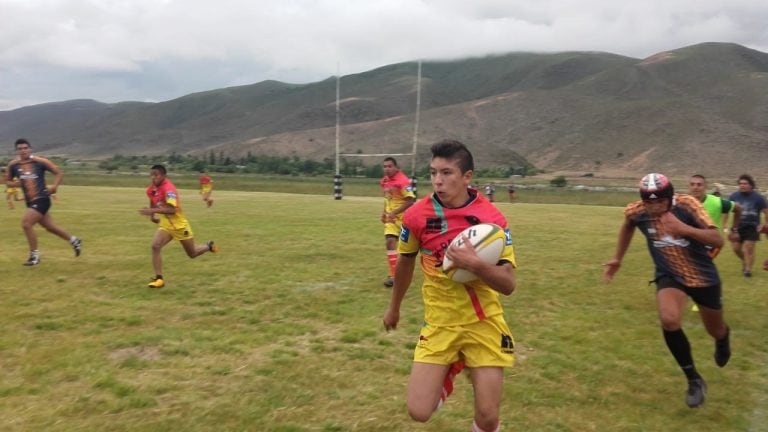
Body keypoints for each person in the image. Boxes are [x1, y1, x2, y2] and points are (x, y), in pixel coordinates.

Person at [383, 140, 517, 432]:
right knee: (419, 411)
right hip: (440, 322)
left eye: (447, 173)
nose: (438, 181)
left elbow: (508, 284)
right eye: (433, 173)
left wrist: (477, 265)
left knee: (487, 416)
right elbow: (405, 262)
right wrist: (394, 308)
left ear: (467, 177)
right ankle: (454, 366)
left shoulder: (492, 219)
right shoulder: (417, 216)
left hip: (484, 322)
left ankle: (463, 362)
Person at [603, 173, 730, 408]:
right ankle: (693, 379)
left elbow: (717, 239)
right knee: (669, 320)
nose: (654, 207)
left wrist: (683, 229)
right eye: (649, 202)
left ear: (670, 197)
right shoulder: (638, 212)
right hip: (670, 275)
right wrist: (617, 258)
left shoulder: (687, 205)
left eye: (659, 201)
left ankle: (722, 339)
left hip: (703, 275)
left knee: (715, 328)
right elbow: (628, 226)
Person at [4, 138, 82, 266]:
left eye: (25, 148)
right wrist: (17, 183)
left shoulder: (40, 162)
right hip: (29, 201)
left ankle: (34, 256)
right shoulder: (13, 165)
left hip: (42, 198)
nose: (23, 151)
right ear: (16, 151)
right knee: (50, 227)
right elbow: (8, 182)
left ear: (30, 149)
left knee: (26, 224)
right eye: (20, 149)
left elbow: (58, 172)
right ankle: (74, 240)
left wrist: (54, 187)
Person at [138, 164, 218, 288]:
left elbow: (172, 210)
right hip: (166, 225)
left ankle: (209, 246)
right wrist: (153, 216)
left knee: (192, 254)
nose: (153, 178)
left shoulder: (169, 190)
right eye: (151, 175)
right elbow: (153, 199)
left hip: (179, 225)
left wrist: (153, 210)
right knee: (155, 246)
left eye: (156, 175)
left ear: (164, 176)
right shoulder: (151, 189)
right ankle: (159, 279)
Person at [380, 157, 415, 287]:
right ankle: (394, 275)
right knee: (390, 241)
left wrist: (395, 212)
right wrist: (384, 212)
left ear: (396, 167)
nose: (387, 169)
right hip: (391, 218)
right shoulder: (384, 181)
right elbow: (387, 199)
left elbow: (410, 201)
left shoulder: (403, 181)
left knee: (407, 250)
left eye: (389, 166)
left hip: (405, 220)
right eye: (385, 166)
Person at [687, 174, 742, 256]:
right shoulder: (683, 202)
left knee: (701, 265)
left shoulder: (717, 202)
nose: (695, 187)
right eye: (692, 184)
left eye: (699, 185)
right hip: (691, 241)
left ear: (705, 187)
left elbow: (738, 208)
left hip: (711, 243)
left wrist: (734, 230)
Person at [727, 174, 768, 277]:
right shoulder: (733, 196)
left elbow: (766, 211)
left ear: (751, 185)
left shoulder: (758, 198)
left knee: (747, 248)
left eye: (745, 183)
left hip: (752, 227)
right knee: (736, 249)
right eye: (740, 184)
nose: (742, 186)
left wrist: (765, 224)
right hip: (737, 227)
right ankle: (745, 261)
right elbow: (726, 211)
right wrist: (726, 226)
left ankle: (748, 271)